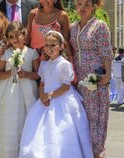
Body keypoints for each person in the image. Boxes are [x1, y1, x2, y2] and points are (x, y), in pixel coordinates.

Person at [19, 31, 93, 158]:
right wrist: (42, 95)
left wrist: (50, 95)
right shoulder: (44, 64)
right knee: (41, 131)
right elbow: (42, 82)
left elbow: (65, 86)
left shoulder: (64, 64)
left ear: (61, 46)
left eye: (53, 45)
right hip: (45, 99)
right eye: (46, 45)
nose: (49, 48)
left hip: (61, 99)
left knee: (61, 130)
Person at [0, 22, 40, 158]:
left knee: (25, 120)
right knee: (10, 121)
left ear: (24, 35)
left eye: (17, 35)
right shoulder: (6, 53)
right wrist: (10, 73)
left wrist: (26, 74)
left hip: (27, 91)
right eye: (11, 37)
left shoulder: (32, 53)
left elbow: (38, 74)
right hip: (8, 93)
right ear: (8, 39)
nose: (15, 39)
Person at [70, 0, 113, 158]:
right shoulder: (73, 27)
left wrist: (107, 75)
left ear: (94, 6)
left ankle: (97, 152)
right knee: (83, 117)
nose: (82, 8)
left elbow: (106, 52)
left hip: (96, 79)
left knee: (96, 117)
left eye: (87, 5)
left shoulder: (100, 26)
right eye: (80, 4)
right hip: (79, 81)